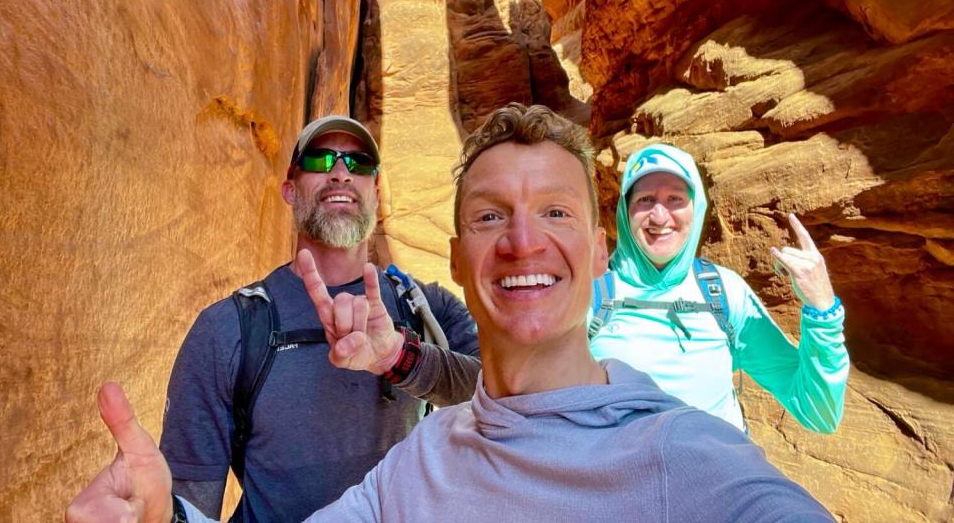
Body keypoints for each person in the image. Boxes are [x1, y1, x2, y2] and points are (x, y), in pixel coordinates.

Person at [67, 104, 834, 523]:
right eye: (494, 217)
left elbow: (490, 385)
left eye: (359, 161)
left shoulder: (686, 456)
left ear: (602, 254)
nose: (526, 239)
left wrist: (399, 357)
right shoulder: (409, 468)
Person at [158, 115, 480, 521]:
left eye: (358, 163)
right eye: (320, 161)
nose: (341, 173)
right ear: (289, 190)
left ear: (377, 193)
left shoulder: (427, 308)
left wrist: (401, 358)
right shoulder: (227, 330)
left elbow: (505, 396)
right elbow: (189, 502)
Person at [588, 143, 849, 433]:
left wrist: (823, 309)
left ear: (696, 208)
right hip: (628, 476)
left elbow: (817, 414)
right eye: (646, 200)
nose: (660, 217)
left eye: (675, 199)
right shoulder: (589, 296)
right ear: (626, 212)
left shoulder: (723, 292)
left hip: (720, 475)